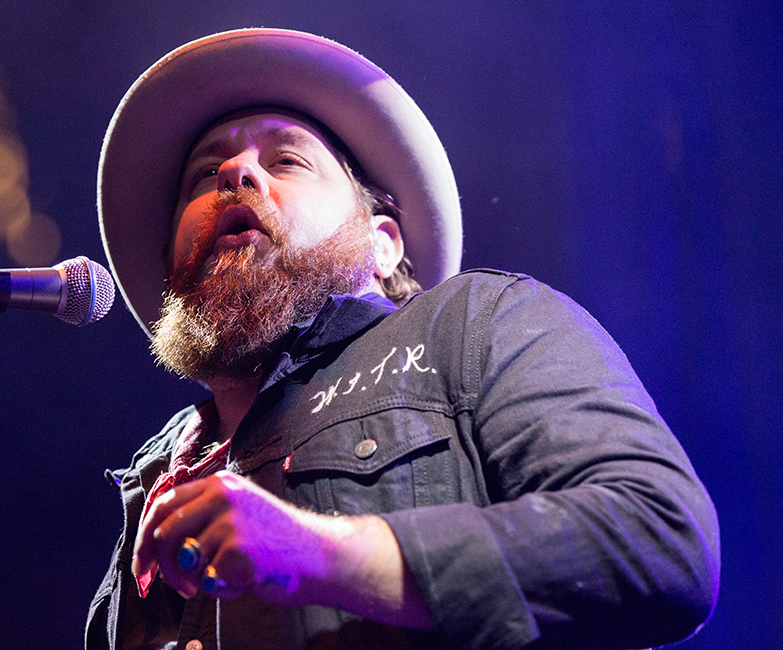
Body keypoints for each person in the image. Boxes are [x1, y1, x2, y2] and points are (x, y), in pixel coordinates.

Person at [87, 29, 719, 650]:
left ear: (382, 245)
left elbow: (658, 536)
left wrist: (320, 554)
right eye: (204, 176)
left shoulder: (474, 322)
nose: (235, 172)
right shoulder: (155, 474)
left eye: (286, 160)